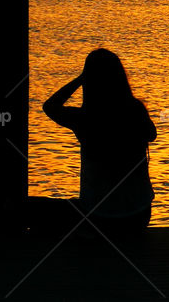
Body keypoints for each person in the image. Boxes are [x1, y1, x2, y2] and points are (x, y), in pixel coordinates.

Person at [31, 48, 157, 236]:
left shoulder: (85, 119)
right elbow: (152, 134)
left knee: (25, 208)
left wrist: (81, 79)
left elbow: (50, 106)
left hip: (98, 218)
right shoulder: (135, 111)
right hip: (138, 217)